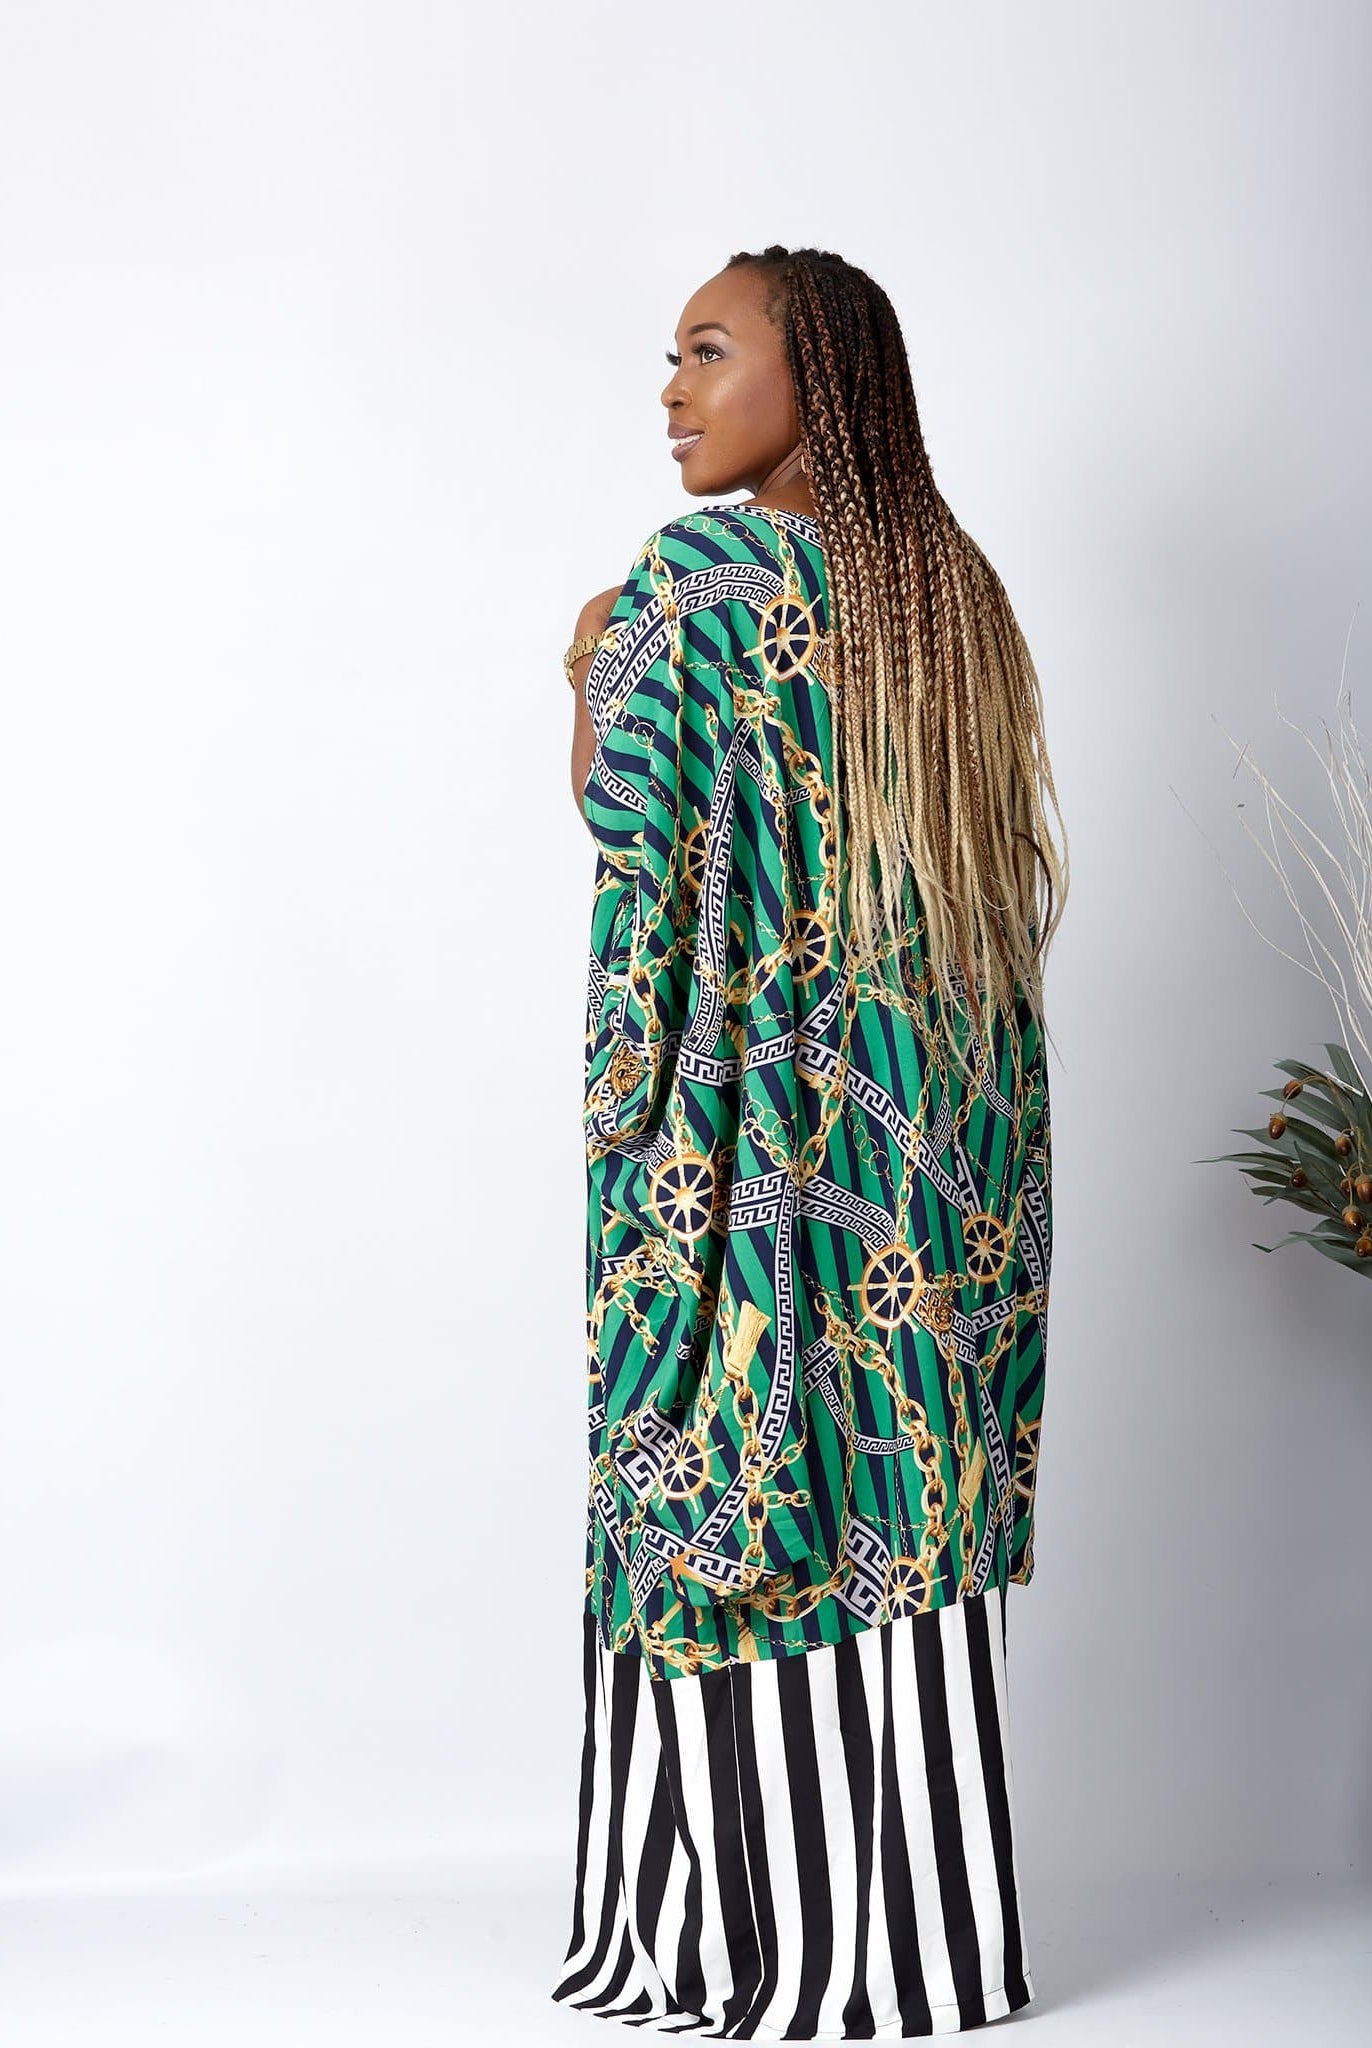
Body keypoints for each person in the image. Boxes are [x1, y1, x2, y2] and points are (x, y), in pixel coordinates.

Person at [551, 244, 1068, 2039]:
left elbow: (623, 804)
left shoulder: (694, 582)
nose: (673, 390)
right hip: (940, 1138)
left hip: (755, 1140)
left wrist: (587, 650)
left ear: (816, 378)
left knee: (742, 1460)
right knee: (902, 1472)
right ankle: (919, 1942)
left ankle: (731, 1942)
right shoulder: (952, 591)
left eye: (708, 352)